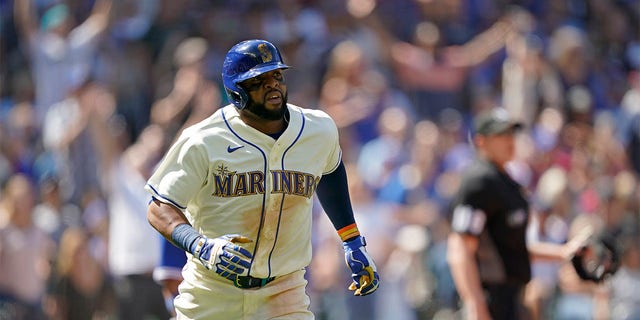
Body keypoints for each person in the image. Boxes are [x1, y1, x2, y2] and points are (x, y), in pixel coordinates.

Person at [145, 39, 380, 319]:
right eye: (258, 80)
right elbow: (159, 206)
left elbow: (330, 171)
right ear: (235, 92)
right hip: (213, 294)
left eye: (276, 75)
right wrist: (199, 244)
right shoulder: (203, 140)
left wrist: (352, 241)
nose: (272, 85)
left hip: (284, 293)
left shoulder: (318, 130)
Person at [446, 107, 589, 320]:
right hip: (490, 298)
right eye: (500, 135)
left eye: (511, 133)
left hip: (512, 298)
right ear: (481, 142)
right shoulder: (479, 182)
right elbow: (459, 249)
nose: (509, 140)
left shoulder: (507, 182)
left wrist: (562, 252)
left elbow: (511, 247)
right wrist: (474, 304)